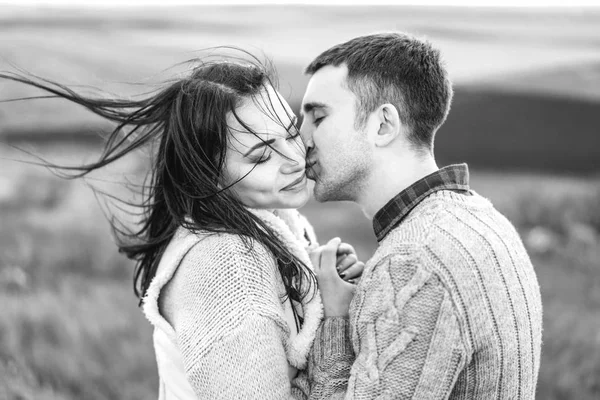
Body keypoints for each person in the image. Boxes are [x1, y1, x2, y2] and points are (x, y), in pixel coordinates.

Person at [0, 54, 365, 399]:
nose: (293, 159)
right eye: (261, 156)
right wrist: (334, 319)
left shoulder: (277, 227)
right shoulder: (227, 267)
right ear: (209, 175)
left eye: (289, 132)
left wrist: (316, 274)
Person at [301, 32, 543, 399]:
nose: (301, 137)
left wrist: (335, 322)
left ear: (383, 125)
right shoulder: (480, 215)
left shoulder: (414, 261)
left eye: (317, 117)